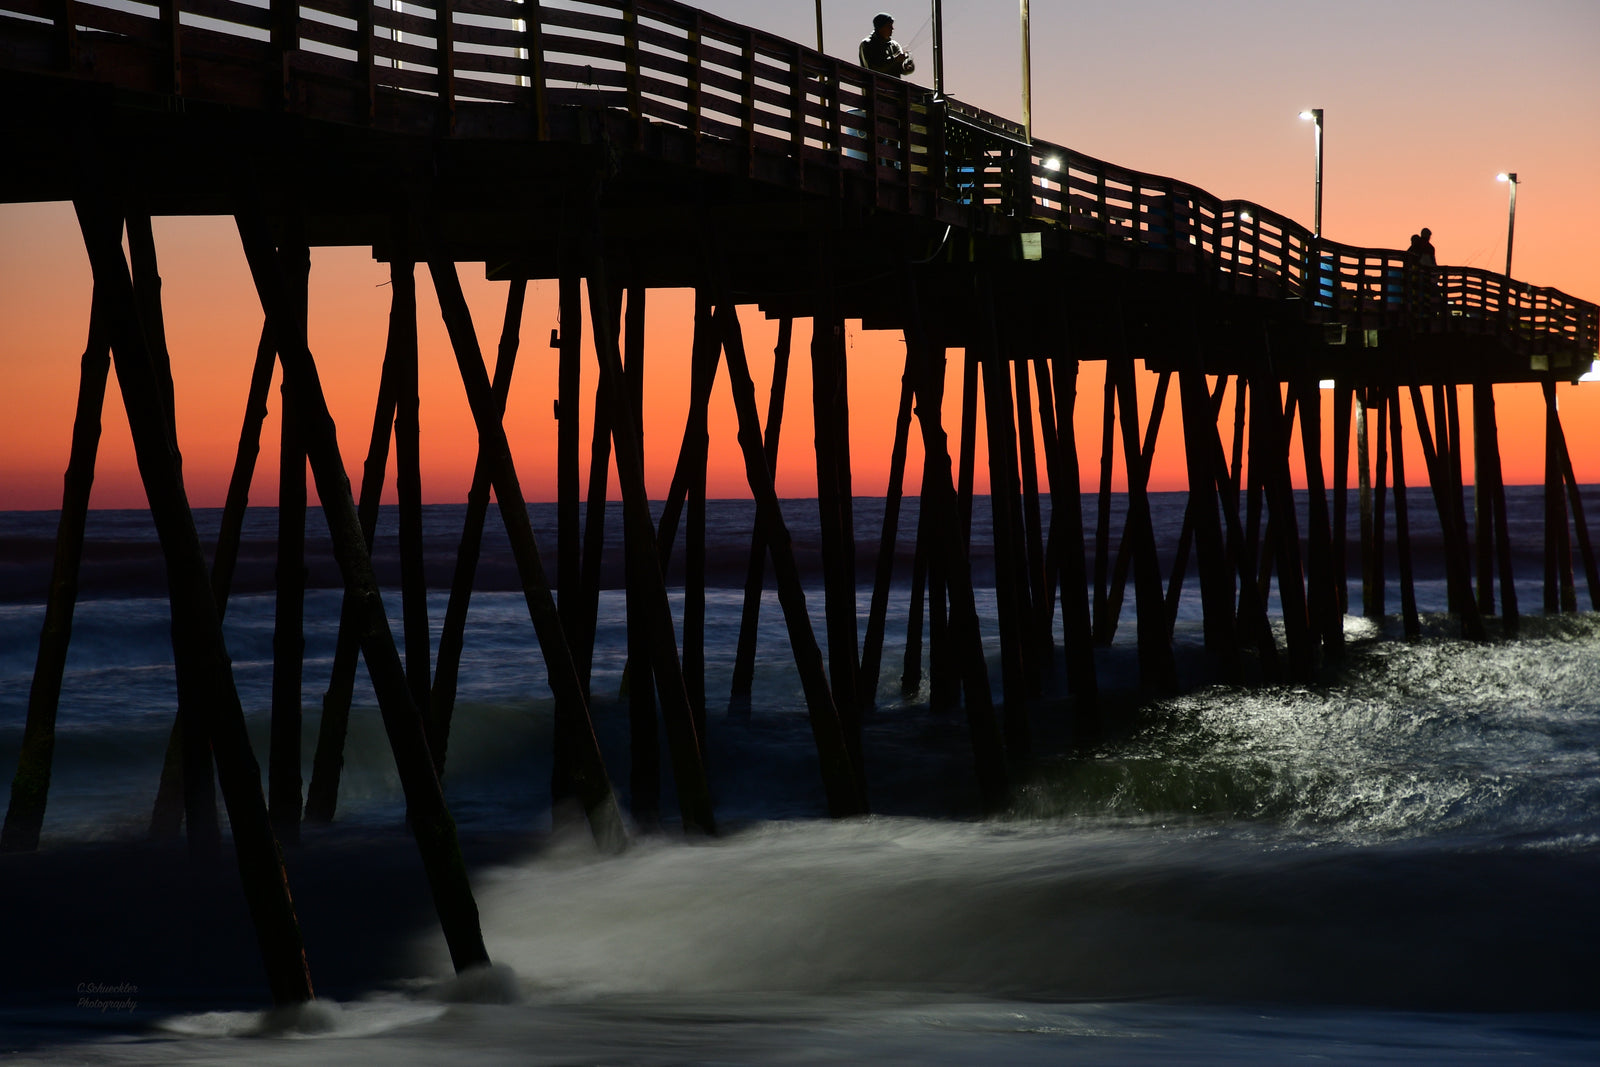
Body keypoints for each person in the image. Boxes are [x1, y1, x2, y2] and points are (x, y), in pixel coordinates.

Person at [859, 13, 915, 77]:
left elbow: (901, 70)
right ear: (880, 27)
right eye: (889, 26)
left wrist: (907, 65)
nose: (892, 28)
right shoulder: (867, 44)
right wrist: (895, 59)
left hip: (893, 86)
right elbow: (873, 68)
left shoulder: (894, 45)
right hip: (874, 85)